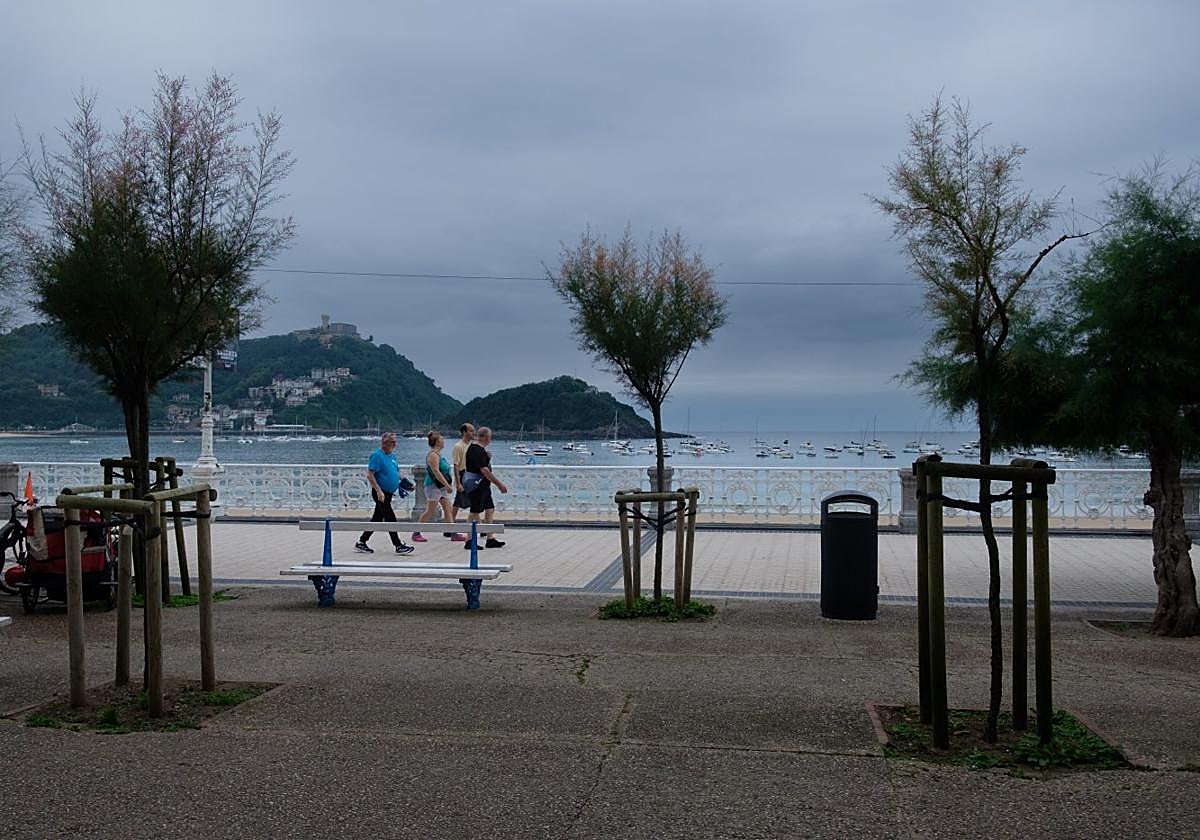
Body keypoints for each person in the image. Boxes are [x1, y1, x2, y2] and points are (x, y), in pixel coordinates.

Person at [355, 432, 415, 554]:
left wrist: (406, 483)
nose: (395, 444)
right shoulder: (377, 456)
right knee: (390, 518)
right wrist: (379, 491)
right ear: (384, 443)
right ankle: (398, 545)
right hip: (380, 493)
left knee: (377, 519)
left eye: (395, 442)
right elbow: (370, 475)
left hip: (388, 493)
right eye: (392, 442)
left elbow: (396, 472)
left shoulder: (392, 456)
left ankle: (361, 542)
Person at [462, 426, 507, 550]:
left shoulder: (475, 449)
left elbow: (479, 465)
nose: (490, 440)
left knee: (490, 509)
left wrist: (487, 457)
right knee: (474, 512)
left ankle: (490, 538)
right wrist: (499, 484)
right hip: (477, 486)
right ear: (486, 437)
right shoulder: (477, 450)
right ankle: (469, 540)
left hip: (483, 486)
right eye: (490, 437)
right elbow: (484, 470)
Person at [412, 431, 461, 542]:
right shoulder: (433, 455)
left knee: (448, 508)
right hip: (433, 487)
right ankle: (416, 533)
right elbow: (436, 472)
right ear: (437, 442)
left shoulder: (438, 454)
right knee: (430, 510)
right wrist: (447, 485)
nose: (444, 441)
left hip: (440, 487)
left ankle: (453, 533)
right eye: (442, 439)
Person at [450, 423, 475, 528]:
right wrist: (458, 483)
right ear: (464, 432)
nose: (473, 433)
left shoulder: (471, 445)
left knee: (473, 501)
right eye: (471, 431)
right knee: (457, 503)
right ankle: (449, 526)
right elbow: (456, 465)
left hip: (471, 476)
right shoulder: (458, 446)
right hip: (463, 475)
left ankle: (449, 526)